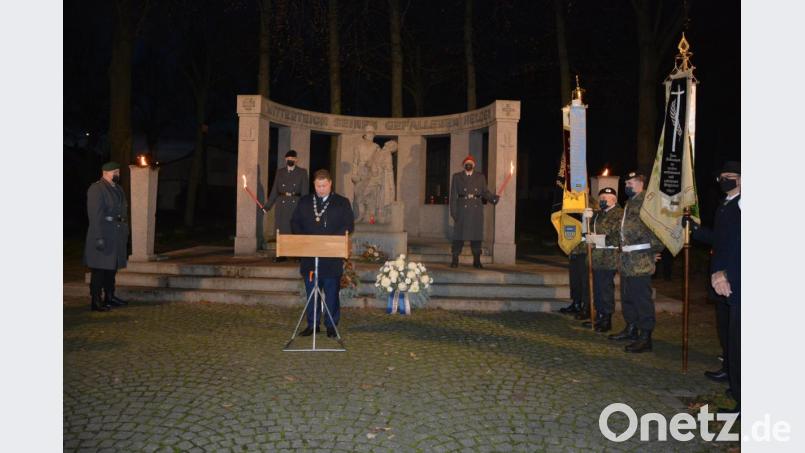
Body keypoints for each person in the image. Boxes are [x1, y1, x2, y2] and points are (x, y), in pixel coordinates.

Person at [687, 161, 741, 412]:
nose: (723, 181)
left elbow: (738, 245)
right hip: (722, 281)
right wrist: (696, 230)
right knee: (727, 331)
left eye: (729, 176)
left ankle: (742, 392)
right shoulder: (726, 204)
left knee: (739, 337)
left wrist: (726, 271)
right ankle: (731, 374)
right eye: (721, 177)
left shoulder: (742, 205)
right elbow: (720, 239)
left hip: (733, 278)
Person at [290, 169, 355, 338]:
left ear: (330, 184)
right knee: (312, 293)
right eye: (318, 186)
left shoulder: (341, 202)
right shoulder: (305, 202)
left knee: (332, 294)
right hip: (309, 257)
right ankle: (312, 325)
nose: (321, 189)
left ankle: (331, 325)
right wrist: (305, 240)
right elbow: (295, 222)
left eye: (324, 186)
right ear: (314, 184)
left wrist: (330, 241)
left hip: (331, 257)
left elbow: (348, 225)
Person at [608, 171, 664, 352]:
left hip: (640, 260)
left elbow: (659, 229)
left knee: (642, 299)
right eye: (626, 181)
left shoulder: (648, 203)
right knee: (628, 297)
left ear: (641, 183)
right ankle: (631, 328)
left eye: (631, 182)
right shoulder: (629, 204)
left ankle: (645, 336)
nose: (627, 185)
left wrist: (652, 251)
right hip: (626, 260)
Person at [83, 161, 129, 312]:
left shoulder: (118, 189)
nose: (118, 174)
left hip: (116, 234)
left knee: (112, 268)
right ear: (105, 172)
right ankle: (96, 301)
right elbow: (95, 216)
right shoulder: (97, 188)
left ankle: (110, 296)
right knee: (99, 270)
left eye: (118, 172)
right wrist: (98, 237)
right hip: (103, 232)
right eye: (115, 172)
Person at [582, 187, 623, 332]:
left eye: (606, 197)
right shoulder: (598, 214)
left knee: (605, 289)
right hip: (595, 257)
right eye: (601, 198)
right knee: (597, 289)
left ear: (614, 199)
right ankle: (598, 316)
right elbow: (586, 233)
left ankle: (606, 319)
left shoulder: (619, 214)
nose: (602, 200)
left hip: (608, 258)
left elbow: (617, 238)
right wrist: (585, 219)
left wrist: (595, 239)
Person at [449, 155, 499, 268]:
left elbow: (484, 192)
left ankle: (477, 260)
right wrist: (453, 212)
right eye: (466, 163)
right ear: (463, 165)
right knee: (458, 236)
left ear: (474, 165)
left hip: (476, 209)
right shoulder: (457, 177)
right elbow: (453, 196)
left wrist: (493, 198)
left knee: (476, 237)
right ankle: (455, 259)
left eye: (470, 163)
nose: (468, 164)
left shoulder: (480, 177)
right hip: (462, 209)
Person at [266, 150, 309, 262]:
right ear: (285, 159)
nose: (290, 160)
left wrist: (304, 208)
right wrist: (268, 206)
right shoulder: (280, 172)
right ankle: (281, 254)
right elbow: (275, 189)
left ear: (296, 160)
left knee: (295, 230)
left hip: (296, 204)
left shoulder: (302, 172)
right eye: (288, 158)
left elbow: (305, 192)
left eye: (292, 158)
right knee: (281, 230)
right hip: (282, 204)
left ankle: (297, 254)